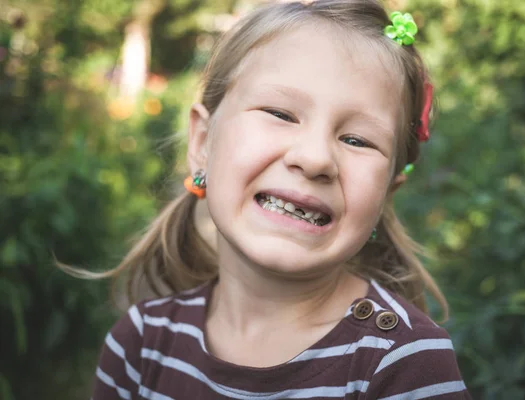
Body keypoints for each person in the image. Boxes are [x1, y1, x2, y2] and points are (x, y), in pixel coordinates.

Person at [90, 0, 471, 398]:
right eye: (280, 113)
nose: (314, 158)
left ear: (387, 191)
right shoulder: (140, 345)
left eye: (357, 140)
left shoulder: (406, 365)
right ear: (203, 142)